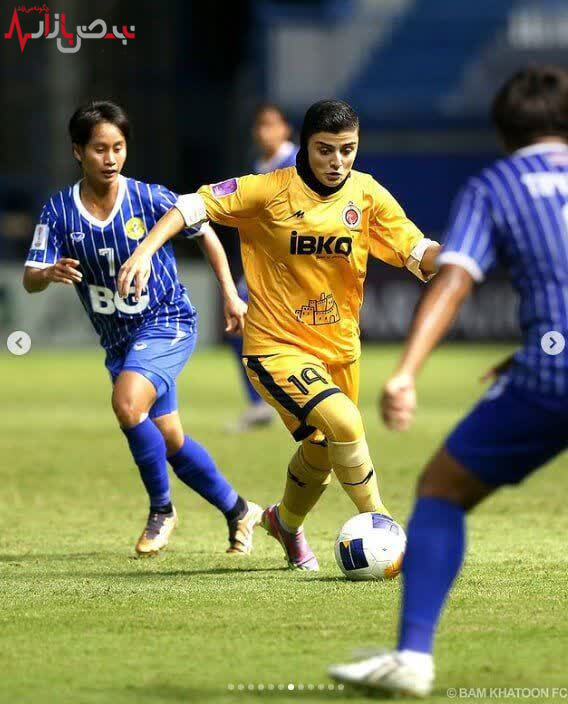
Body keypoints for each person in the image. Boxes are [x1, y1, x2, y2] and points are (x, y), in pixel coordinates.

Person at [117, 99, 440, 571]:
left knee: (322, 452)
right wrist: (145, 250)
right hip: (275, 347)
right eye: (325, 149)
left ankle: (283, 523)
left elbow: (416, 249)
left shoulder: (367, 194)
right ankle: (383, 525)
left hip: (340, 350)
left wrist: (456, 259)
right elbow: (189, 205)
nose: (337, 161)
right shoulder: (267, 191)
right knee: (346, 424)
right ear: (304, 145)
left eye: (347, 150)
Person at [329, 65, 568, 697]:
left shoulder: (497, 186)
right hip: (549, 360)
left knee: (441, 489)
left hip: (552, 375)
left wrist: (406, 373)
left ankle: (412, 657)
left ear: (503, 130)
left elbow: (456, 279)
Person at [23, 100, 262, 558]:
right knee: (169, 439)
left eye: (118, 147)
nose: (110, 158)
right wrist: (48, 272)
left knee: (128, 404)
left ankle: (162, 510)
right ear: (77, 152)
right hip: (119, 341)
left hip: (167, 321)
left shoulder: (149, 198)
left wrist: (232, 296)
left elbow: (206, 233)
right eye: (99, 149)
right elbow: (30, 280)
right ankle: (239, 510)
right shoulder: (58, 211)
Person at [226, 102, 298, 432]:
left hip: (296, 263)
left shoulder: (297, 161)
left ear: (285, 128)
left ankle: (305, 402)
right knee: (237, 324)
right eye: (260, 125)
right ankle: (260, 404)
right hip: (263, 262)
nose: (264, 131)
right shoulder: (259, 166)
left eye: (271, 124)